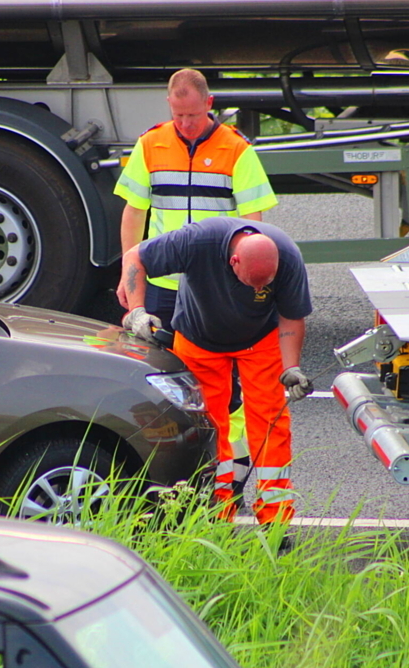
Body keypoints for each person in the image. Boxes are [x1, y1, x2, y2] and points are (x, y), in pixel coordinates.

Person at [114, 68, 278, 495]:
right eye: (178, 115)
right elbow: (134, 213)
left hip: (213, 287)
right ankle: (174, 473)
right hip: (165, 287)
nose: (185, 124)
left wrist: (240, 279)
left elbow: (252, 224)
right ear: (169, 107)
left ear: (210, 105)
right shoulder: (151, 144)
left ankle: (230, 472)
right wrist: (129, 276)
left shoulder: (236, 151)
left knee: (223, 386)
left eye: (192, 114)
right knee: (163, 380)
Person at [118, 216, 313, 524]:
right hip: (200, 341)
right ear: (233, 261)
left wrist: (291, 368)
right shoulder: (197, 241)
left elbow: (291, 317)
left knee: (271, 423)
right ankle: (216, 515)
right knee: (207, 426)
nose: (259, 291)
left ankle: (276, 521)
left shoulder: (287, 257)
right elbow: (135, 258)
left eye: (265, 286)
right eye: (252, 284)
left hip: (260, 341)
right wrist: (138, 311)